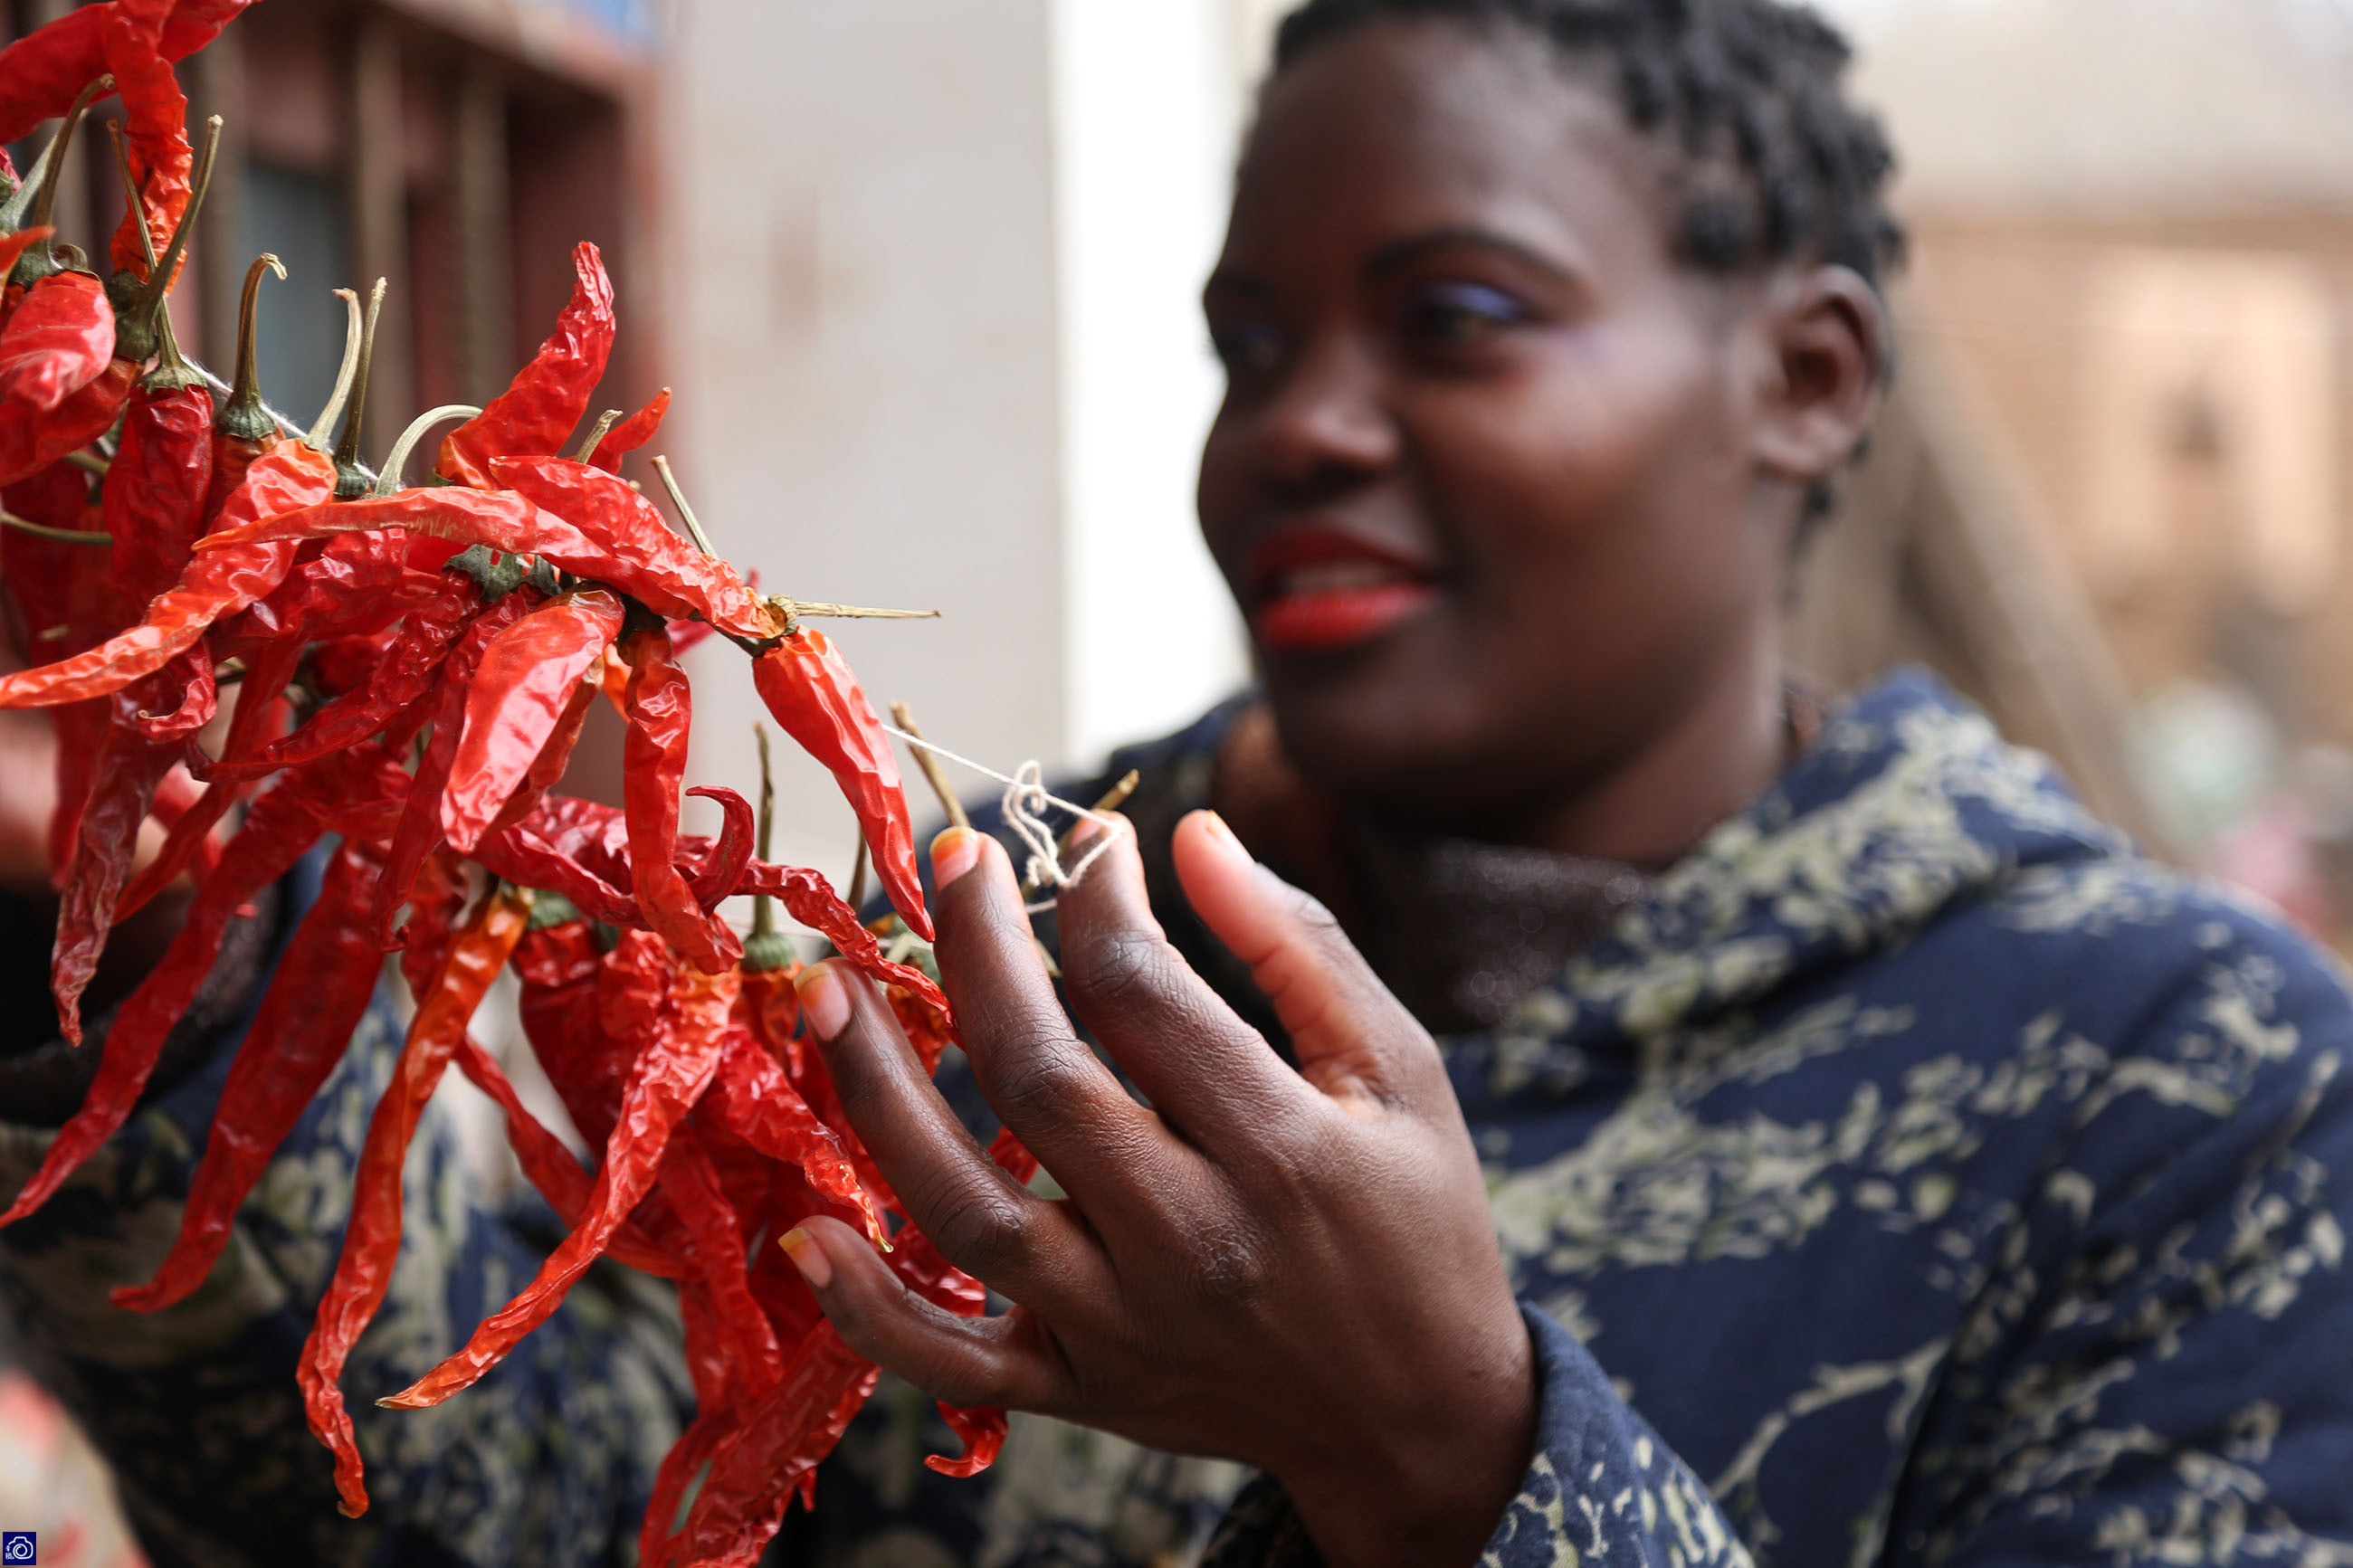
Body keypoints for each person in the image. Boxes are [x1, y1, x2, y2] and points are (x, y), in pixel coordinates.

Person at [4, 0, 2350, 1564]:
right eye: (1251, 343)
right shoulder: (1015, 950)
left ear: (1807, 382)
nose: (1301, 426)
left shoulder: (2195, 1093)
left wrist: (1463, 1472)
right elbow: (545, 1510)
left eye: (1457, 320)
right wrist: (111, 963)